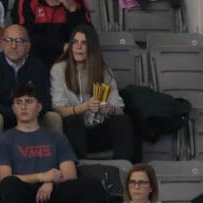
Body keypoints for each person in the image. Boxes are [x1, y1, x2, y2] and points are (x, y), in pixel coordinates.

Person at [0, 84, 105, 203]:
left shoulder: (56, 137)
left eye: (29, 101)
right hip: (24, 193)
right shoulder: (4, 139)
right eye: (18, 102)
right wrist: (42, 177)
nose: (23, 107)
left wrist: (50, 181)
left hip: (53, 190)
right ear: (13, 108)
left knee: (92, 185)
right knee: (9, 186)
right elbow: (4, 179)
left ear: (39, 107)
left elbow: (70, 174)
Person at [51, 26, 141, 164]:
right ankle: (78, 171)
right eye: (75, 42)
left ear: (92, 47)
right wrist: (85, 107)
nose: (78, 47)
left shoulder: (103, 70)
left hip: (97, 130)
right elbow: (59, 110)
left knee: (124, 121)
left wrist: (109, 109)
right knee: (74, 121)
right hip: (72, 132)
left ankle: (122, 170)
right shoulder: (59, 69)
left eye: (84, 43)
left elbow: (119, 109)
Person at [0, 25, 52, 136]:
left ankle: (56, 153)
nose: (13, 46)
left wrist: (29, 112)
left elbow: (45, 101)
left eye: (19, 41)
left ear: (28, 46)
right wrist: (17, 112)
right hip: (3, 116)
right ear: (2, 44)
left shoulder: (38, 66)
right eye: (8, 40)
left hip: (33, 117)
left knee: (53, 117)